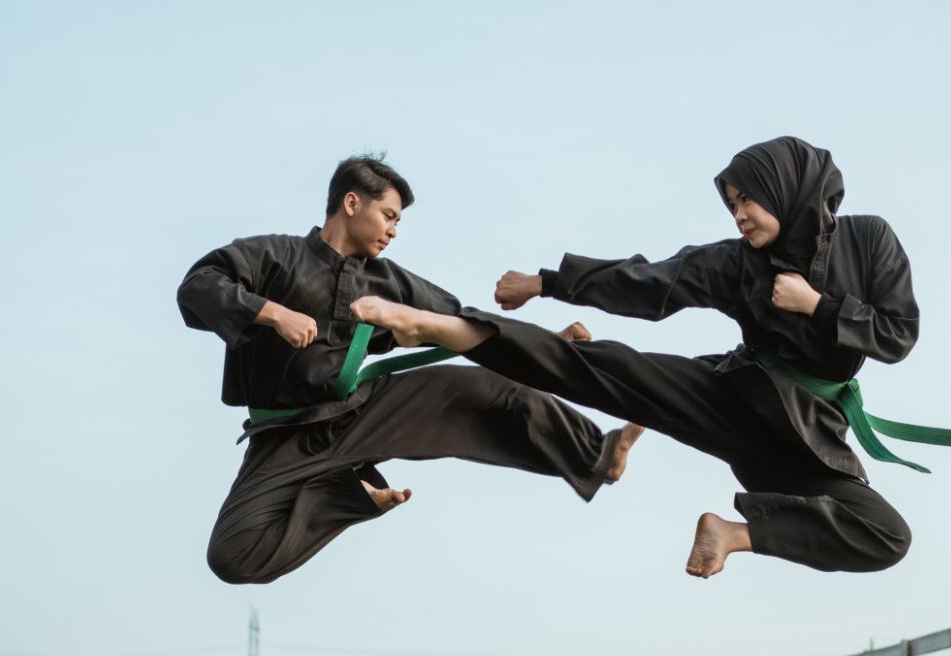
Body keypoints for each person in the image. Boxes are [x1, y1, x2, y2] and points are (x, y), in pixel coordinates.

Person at [351, 137, 948, 578]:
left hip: (806, 436)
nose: (739, 215)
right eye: (732, 205)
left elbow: (898, 334)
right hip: (740, 396)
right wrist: (547, 283)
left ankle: (734, 534)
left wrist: (816, 305)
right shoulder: (738, 263)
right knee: (604, 369)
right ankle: (445, 329)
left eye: (747, 200)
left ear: (785, 189)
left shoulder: (869, 239)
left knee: (887, 536)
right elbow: (650, 283)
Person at [177, 156, 639, 584]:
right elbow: (199, 284)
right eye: (389, 216)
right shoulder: (275, 255)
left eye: (398, 221)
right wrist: (274, 314)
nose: (394, 231)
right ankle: (345, 494)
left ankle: (599, 453)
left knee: (483, 391)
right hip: (284, 435)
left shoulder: (388, 281)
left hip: (362, 412)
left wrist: (546, 341)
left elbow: (462, 323)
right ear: (351, 203)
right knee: (232, 556)